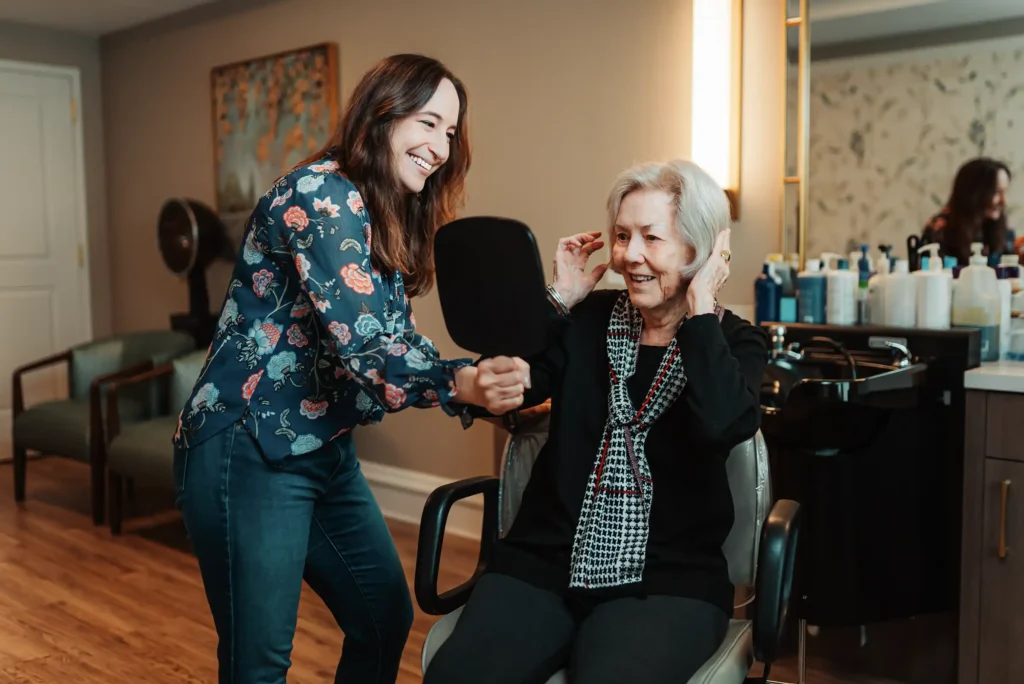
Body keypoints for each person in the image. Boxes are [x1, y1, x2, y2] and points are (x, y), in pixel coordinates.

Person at [171, 54, 530, 684]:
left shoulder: (375, 209)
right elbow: (369, 347)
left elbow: (392, 334)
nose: (442, 146)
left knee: (383, 616)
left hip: (323, 446)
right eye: (429, 123)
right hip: (248, 447)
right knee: (259, 663)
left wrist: (467, 376)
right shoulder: (319, 194)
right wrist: (461, 382)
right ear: (383, 114)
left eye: (450, 132)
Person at [424, 159, 769, 684]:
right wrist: (557, 300)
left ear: (700, 251)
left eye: (652, 238)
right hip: (543, 561)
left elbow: (725, 423)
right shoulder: (587, 320)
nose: (630, 256)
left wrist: (700, 312)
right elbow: (502, 386)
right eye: (622, 236)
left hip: (668, 579)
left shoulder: (731, 340)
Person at [922, 157, 1013, 265]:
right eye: (996, 192)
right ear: (973, 194)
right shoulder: (939, 230)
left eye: (1005, 191)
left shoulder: (1002, 228)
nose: (1003, 201)